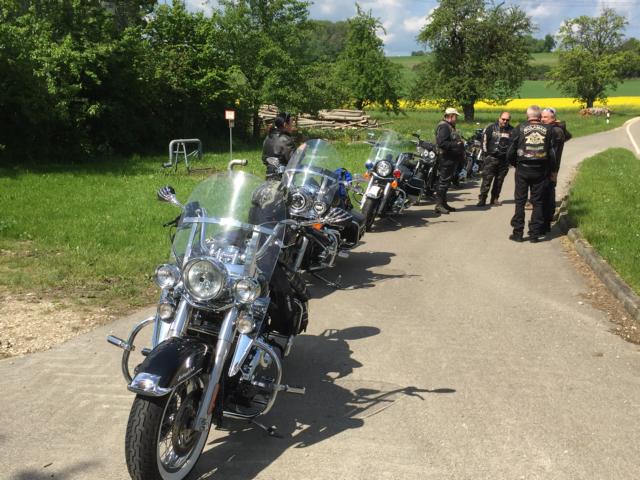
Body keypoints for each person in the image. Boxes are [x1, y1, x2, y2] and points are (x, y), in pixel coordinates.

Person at [506, 105, 557, 243]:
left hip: (522, 169)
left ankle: (518, 233)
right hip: (540, 170)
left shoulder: (519, 128)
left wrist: (515, 164)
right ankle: (534, 234)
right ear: (539, 116)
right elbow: (552, 153)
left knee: (520, 202)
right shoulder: (549, 129)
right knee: (538, 202)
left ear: (527, 115)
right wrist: (552, 170)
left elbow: (510, 151)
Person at [541, 107, 572, 233]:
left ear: (553, 119)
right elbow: (569, 136)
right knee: (546, 191)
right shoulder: (557, 129)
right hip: (550, 166)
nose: (542, 119)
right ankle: (546, 218)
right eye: (541, 117)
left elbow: (553, 152)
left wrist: (559, 126)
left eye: (545, 117)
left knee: (548, 192)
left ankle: (547, 219)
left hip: (551, 166)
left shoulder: (556, 131)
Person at [476, 112, 514, 206]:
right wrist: (486, 155)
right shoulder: (491, 127)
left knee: (499, 181)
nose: (505, 121)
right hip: (491, 158)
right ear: (499, 118)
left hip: (504, 160)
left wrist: (510, 157)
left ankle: (494, 199)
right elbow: (484, 142)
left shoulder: (512, 130)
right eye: (503, 119)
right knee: (487, 180)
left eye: (507, 120)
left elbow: (513, 145)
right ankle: (482, 199)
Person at [434, 107, 465, 215]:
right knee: (443, 182)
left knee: (446, 182)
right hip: (446, 158)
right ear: (451, 116)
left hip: (450, 158)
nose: (457, 118)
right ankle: (439, 205)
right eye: (456, 116)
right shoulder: (444, 126)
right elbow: (441, 143)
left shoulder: (449, 126)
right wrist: (456, 144)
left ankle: (444, 203)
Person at [262, 112, 296, 178]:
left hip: (269, 176)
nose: (292, 127)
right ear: (285, 125)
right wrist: (301, 151)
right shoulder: (286, 140)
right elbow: (294, 161)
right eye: (291, 124)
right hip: (283, 178)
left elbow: (264, 159)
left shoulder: (268, 137)